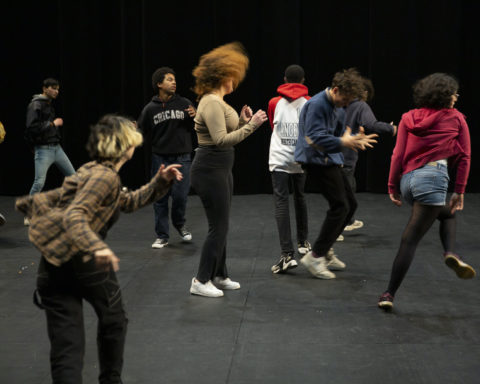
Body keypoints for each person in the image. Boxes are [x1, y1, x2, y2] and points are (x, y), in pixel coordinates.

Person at [16, 114, 182, 383]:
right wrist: (97, 247)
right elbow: (75, 215)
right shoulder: (104, 177)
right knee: (114, 321)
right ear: (124, 145)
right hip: (85, 263)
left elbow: (124, 202)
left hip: (53, 266)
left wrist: (159, 183)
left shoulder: (92, 170)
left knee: (67, 346)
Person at [378, 73, 475, 310]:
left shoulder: (408, 118)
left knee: (447, 214)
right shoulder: (456, 118)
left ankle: (451, 253)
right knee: (410, 240)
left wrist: (392, 186)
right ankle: (388, 294)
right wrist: (459, 190)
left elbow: (397, 155)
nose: (456, 96)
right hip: (432, 179)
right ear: (444, 95)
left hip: (409, 182)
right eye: (454, 92)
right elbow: (464, 157)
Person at [189, 42, 268, 297]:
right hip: (210, 167)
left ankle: (219, 274)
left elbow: (224, 135)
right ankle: (201, 280)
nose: (236, 79)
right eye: (233, 74)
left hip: (221, 167)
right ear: (223, 75)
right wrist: (252, 125)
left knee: (222, 224)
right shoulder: (211, 102)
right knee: (218, 226)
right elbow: (220, 140)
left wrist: (243, 122)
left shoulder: (218, 102)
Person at [294, 68, 378, 280]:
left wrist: (353, 139)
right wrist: (343, 142)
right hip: (316, 161)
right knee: (339, 206)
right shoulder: (317, 104)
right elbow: (312, 138)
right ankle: (316, 256)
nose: (345, 105)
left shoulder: (339, 107)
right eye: (345, 100)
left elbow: (340, 134)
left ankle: (325, 248)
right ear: (336, 89)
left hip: (331, 159)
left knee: (350, 205)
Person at [138, 67, 196, 249]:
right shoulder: (150, 109)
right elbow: (141, 131)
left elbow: (197, 126)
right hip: (160, 159)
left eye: (174, 79)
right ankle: (162, 235)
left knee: (180, 196)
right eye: (169, 79)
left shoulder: (184, 103)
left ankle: (179, 224)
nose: (174, 82)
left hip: (182, 158)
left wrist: (195, 116)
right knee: (160, 198)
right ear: (159, 84)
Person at [267, 64, 311, 274]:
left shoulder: (274, 102)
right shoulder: (309, 103)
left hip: (279, 157)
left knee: (281, 202)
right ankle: (303, 242)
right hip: (300, 158)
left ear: (285, 80)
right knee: (300, 197)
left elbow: (271, 124)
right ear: (303, 81)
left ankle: (287, 254)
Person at [342, 77, 397, 232]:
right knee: (347, 195)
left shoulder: (338, 102)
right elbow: (371, 124)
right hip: (346, 155)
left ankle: (348, 222)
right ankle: (336, 230)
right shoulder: (360, 105)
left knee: (345, 191)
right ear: (364, 92)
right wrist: (392, 129)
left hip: (332, 153)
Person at [24, 78, 75, 226]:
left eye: (58, 89)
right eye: (53, 88)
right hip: (44, 150)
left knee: (73, 177)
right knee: (39, 182)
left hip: (56, 148)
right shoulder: (35, 105)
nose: (56, 91)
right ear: (44, 88)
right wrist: (53, 124)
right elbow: (31, 127)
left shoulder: (48, 104)